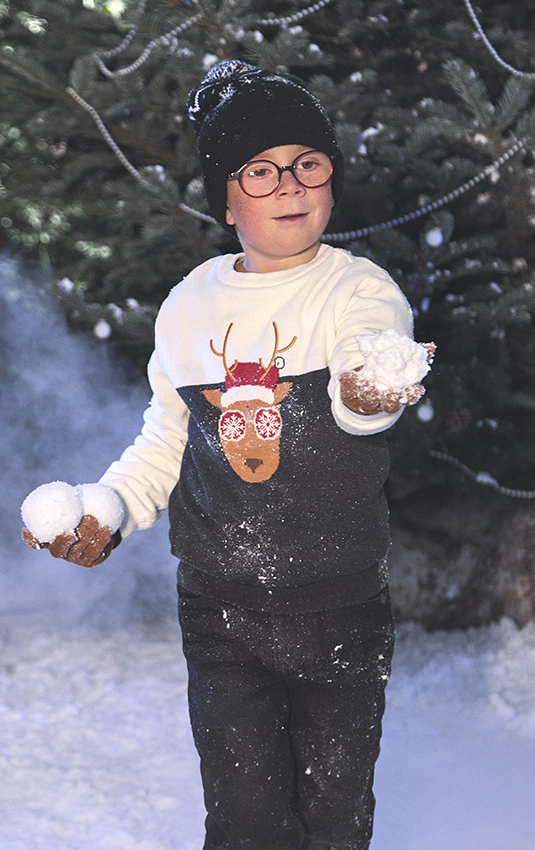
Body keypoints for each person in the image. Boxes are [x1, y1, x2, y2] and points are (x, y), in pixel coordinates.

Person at [23, 60, 426, 850]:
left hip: (337, 604)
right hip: (221, 611)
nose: (290, 185)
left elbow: (366, 371)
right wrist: (111, 509)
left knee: (335, 818)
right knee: (243, 820)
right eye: (261, 171)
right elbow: (166, 437)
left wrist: (370, 388)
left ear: (332, 179)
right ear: (227, 200)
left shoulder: (358, 290)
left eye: (308, 164)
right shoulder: (190, 305)